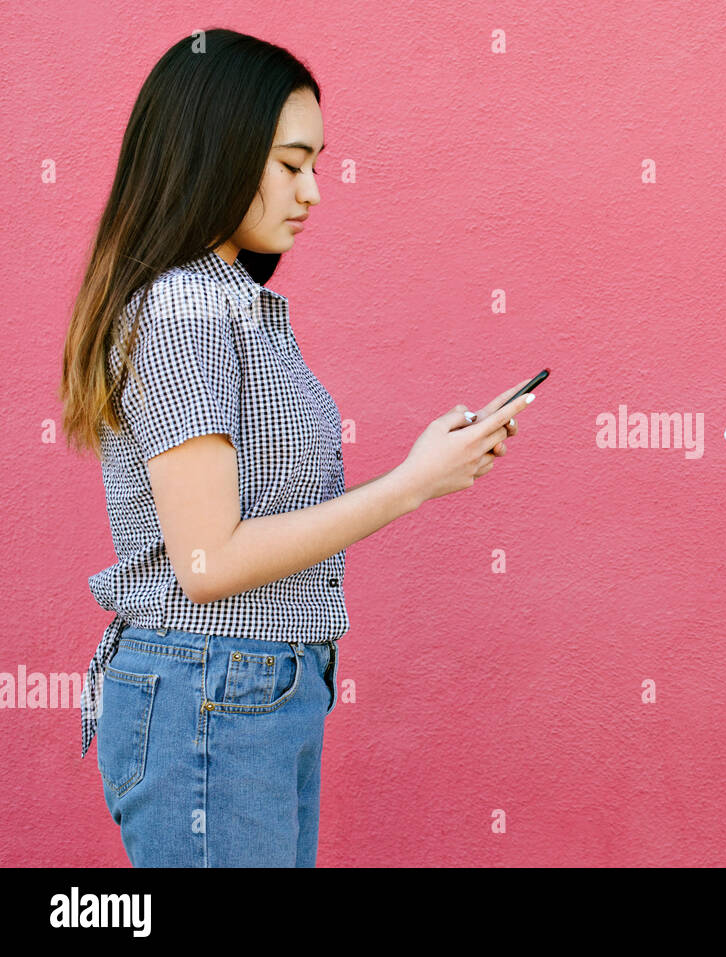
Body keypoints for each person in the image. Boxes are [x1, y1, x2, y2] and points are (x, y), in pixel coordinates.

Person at [58, 29, 536, 867]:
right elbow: (208, 560)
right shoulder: (184, 310)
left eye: (316, 163)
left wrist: (423, 468)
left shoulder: (228, 302)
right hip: (212, 687)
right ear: (217, 149)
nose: (314, 190)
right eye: (290, 163)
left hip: (251, 687)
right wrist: (413, 484)